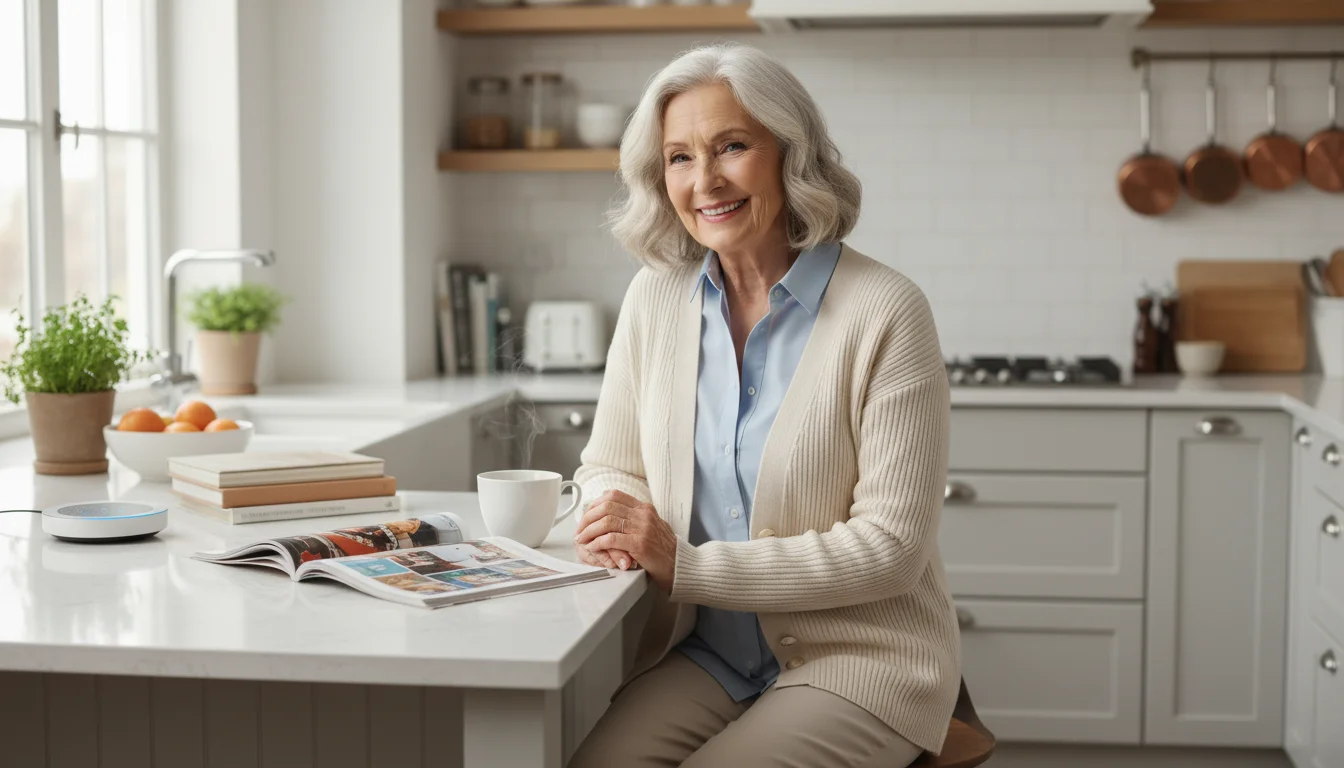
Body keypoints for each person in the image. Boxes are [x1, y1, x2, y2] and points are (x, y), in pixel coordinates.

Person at [568, 43, 959, 768]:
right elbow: (609, 464)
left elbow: (892, 549)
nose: (704, 180)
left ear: (792, 153)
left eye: (732, 147)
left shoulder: (886, 310)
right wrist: (615, 514)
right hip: (707, 654)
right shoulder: (655, 299)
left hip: (862, 663)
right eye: (679, 158)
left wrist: (683, 565)